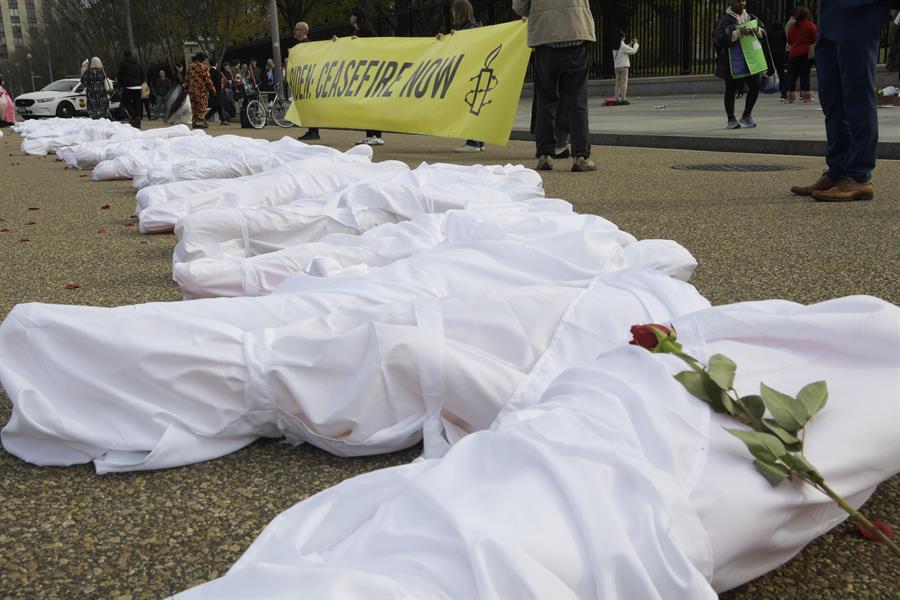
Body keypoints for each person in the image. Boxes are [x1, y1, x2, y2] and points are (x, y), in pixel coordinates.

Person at [790, 0, 892, 202]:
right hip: (830, 11)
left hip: (859, 10)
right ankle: (838, 170)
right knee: (832, 97)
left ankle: (858, 175)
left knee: (858, 94)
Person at [512, 0, 597, 172]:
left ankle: (545, 155)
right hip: (576, 32)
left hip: (545, 38)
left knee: (546, 99)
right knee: (577, 100)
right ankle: (580, 156)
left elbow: (519, 6)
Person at [713, 0, 769, 130]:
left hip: (751, 61)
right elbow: (718, 38)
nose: (741, 4)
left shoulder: (751, 17)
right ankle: (731, 118)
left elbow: (764, 32)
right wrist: (737, 33)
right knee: (731, 90)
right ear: (731, 3)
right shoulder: (725, 20)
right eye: (737, 1)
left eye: (743, 1)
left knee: (755, 86)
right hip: (732, 61)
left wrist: (757, 30)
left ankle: (747, 115)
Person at [445, 0, 486, 152]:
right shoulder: (474, 27)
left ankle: (473, 142)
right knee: (475, 106)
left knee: (469, 105)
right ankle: (478, 141)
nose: (451, 12)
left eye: (453, 10)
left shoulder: (469, 30)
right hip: (477, 73)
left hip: (470, 74)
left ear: (459, 12)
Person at [351, 6, 385, 146]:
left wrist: (358, 42)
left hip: (369, 74)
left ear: (356, 17)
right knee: (370, 105)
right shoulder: (363, 32)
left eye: (352, 15)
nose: (350, 18)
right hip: (369, 73)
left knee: (370, 105)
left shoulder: (364, 33)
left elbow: (371, 49)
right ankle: (372, 135)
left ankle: (374, 134)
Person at [292, 21, 321, 141]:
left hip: (308, 81)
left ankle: (314, 131)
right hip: (306, 81)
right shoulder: (301, 45)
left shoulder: (306, 45)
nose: (294, 32)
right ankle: (312, 130)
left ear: (304, 31)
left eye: (297, 29)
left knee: (310, 106)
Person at [785, 7, 817, 103]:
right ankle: (806, 95)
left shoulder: (793, 26)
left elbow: (789, 40)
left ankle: (791, 95)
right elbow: (815, 38)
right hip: (805, 52)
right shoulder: (810, 25)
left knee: (793, 74)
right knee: (804, 74)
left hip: (793, 52)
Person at [185, 52, 216, 129]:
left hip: (192, 91)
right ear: (203, 59)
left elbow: (186, 79)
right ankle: (199, 121)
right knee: (202, 106)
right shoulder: (204, 67)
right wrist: (213, 89)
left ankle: (195, 122)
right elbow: (208, 80)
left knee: (194, 107)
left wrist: (186, 89)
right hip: (201, 90)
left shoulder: (190, 66)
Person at [116, 50, 144, 128]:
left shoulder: (123, 64)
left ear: (124, 56)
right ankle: (137, 119)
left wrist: (121, 84)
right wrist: (139, 83)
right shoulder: (138, 64)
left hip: (128, 87)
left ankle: (135, 117)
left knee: (125, 102)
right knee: (137, 103)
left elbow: (119, 76)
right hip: (138, 87)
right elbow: (142, 76)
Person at [613, 32, 639, 105]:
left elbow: (623, 50)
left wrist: (630, 45)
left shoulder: (615, 45)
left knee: (617, 83)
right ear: (622, 37)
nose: (625, 38)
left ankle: (616, 99)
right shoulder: (622, 45)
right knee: (623, 83)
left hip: (617, 67)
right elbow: (633, 51)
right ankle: (623, 99)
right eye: (624, 36)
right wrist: (636, 44)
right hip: (623, 66)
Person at [205, 60, 229, 125]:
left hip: (211, 90)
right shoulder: (217, 72)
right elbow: (219, 82)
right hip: (217, 91)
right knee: (216, 106)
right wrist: (222, 86)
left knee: (218, 106)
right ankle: (205, 118)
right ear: (216, 64)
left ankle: (223, 120)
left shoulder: (208, 71)